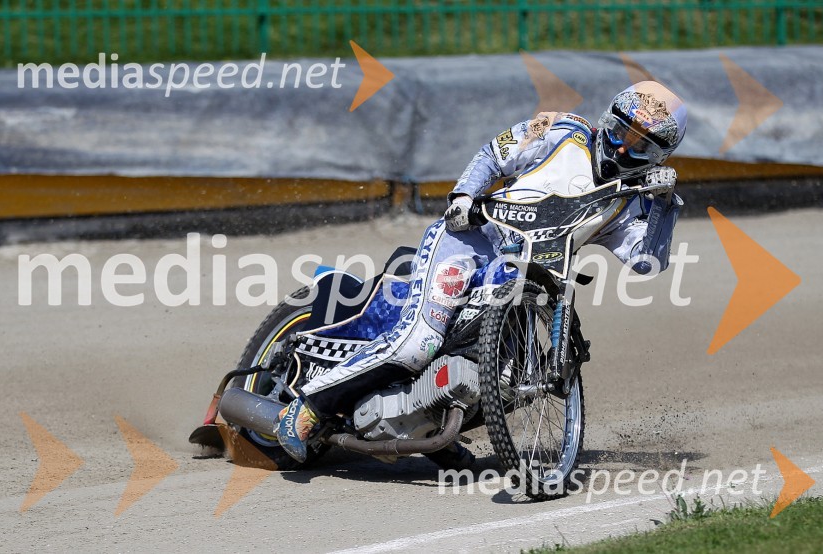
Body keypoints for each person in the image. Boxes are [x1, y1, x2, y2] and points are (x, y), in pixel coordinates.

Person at [276, 80, 688, 462]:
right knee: (418, 343)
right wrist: (463, 197)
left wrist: (666, 205)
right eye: (619, 132)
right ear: (606, 121)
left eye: (640, 147)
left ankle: (429, 425)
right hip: (470, 243)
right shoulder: (563, 132)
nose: (620, 150)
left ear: (659, 157)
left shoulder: (632, 204)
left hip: (529, 279)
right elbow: (494, 153)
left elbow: (645, 261)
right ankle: (309, 405)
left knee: (513, 373)